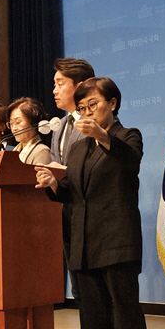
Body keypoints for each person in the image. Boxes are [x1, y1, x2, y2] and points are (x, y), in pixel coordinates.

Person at [41, 77, 149, 329]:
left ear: (112, 104)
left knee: (125, 319)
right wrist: (53, 184)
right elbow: (71, 190)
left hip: (116, 243)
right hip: (83, 246)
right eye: (82, 108)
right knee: (92, 322)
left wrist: (103, 136)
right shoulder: (78, 148)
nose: (87, 112)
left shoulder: (128, 136)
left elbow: (130, 161)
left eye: (93, 105)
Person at [35, 57, 95, 300]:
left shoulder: (95, 123)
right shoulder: (58, 126)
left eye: (60, 83)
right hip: (67, 215)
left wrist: (66, 171)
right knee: (80, 290)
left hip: (91, 216)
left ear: (79, 86)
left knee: (97, 290)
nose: (54, 90)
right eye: (54, 84)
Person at [7, 96, 52, 164]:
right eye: (11, 123)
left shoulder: (42, 151)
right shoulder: (13, 151)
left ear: (33, 122)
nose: (14, 128)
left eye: (18, 122)